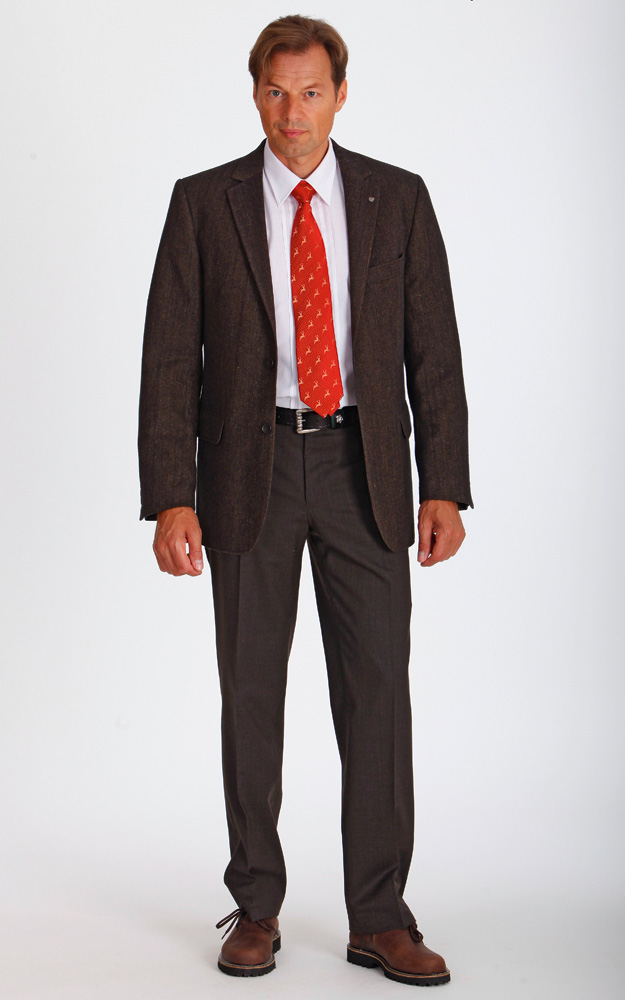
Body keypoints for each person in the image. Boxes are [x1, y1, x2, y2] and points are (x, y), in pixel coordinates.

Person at [138, 14, 472, 987]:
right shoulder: (203, 203)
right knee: (250, 693)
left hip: (365, 468)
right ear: (255, 95)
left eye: (312, 91)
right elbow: (170, 359)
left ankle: (380, 917)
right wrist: (171, 496)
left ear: (340, 95)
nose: (293, 112)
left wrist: (443, 483)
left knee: (376, 695)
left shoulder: (395, 198)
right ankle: (255, 906)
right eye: (276, 92)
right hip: (249, 474)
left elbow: (434, 353)